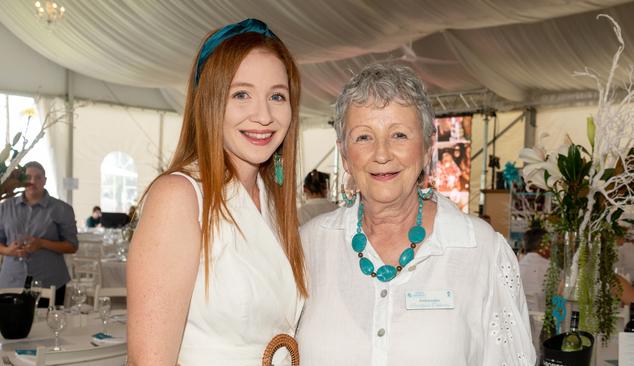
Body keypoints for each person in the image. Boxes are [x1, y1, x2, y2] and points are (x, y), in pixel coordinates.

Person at [296, 64, 535, 365]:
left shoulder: (480, 250)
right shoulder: (308, 246)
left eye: (399, 135)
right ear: (344, 154)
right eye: (363, 137)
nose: (382, 154)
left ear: (426, 148)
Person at [127, 19, 306, 366]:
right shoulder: (180, 196)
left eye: (277, 96)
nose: (264, 115)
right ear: (208, 103)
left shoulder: (271, 201)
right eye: (241, 94)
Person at [0, 161, 78, 306]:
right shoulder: (5, 207)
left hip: (50, 280)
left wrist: (42, 243)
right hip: (12, 281)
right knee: (11, 326)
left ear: (44, 181)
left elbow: (72, 246)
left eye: (38, 177)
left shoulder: (62, 209)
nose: (32, 181)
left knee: (48, 327)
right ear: (21, 181)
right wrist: (8, 250)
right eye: (28, 177)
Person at [518, 228, 549, 313]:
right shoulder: (551, 268)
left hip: (518, 321)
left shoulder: (516, 267)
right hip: (542, 321)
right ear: (543, 246)